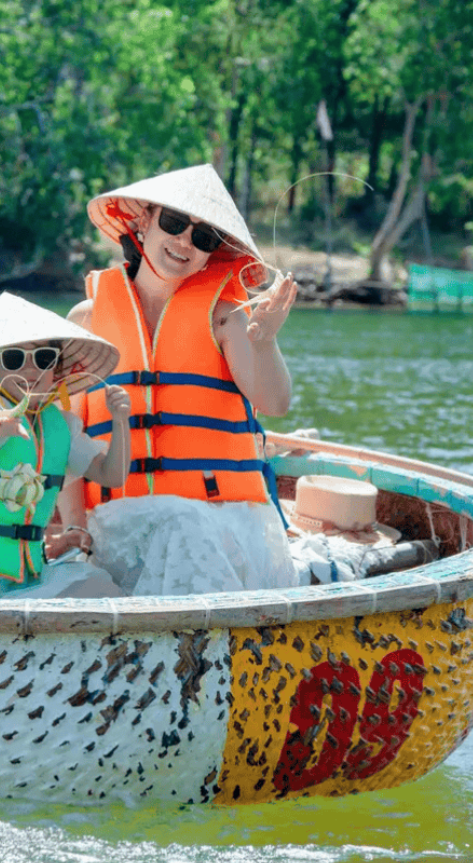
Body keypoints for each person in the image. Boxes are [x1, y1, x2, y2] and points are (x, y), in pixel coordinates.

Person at [60, 164, 300, 596]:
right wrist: (75, 530)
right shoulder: (86, 320)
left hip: (218, 518)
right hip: (118, 525)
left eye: (204, 238)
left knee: (183, 527)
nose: (184, 242)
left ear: (213, 252)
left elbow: (276, 401)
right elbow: (64, 441)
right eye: (174, 223)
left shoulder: (227, 315)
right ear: (143, 220)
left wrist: (263, 340)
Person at [0, 292, 130, 598]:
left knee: (98, 584)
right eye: (14, 358)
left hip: (27, 571)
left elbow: (113, 476)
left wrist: (121, 421)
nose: (30, 369)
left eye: (43, 358)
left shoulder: (60, 426)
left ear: (56, 369)